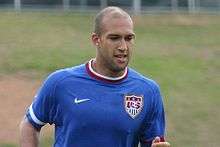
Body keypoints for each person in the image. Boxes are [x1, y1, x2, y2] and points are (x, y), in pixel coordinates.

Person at [19, 6, 170, 147]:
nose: (123, 47)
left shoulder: (148, 91)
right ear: (96, 39)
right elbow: (30, 124)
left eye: (129, 38)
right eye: (114, 38)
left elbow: (153, 142)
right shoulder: (60, 83)